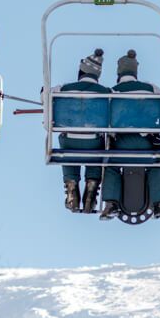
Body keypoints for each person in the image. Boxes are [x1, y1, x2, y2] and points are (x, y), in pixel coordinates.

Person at [99, 50, 160, 221]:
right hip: (147, 146)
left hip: (122, 146)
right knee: (156, 166)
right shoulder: (152, 89)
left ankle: (111, 203)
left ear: (119, 74)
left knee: (111, 166)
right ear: (135, 72)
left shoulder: (112, 92)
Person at [54, 49, 109, 213]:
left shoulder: (64, 88)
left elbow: (45, 95)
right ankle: (92, 186)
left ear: (81, 71)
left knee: (68, 152)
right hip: (93, 141)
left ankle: (71, 186)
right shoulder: (105, 92)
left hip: (69, 140)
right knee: (98, 151)